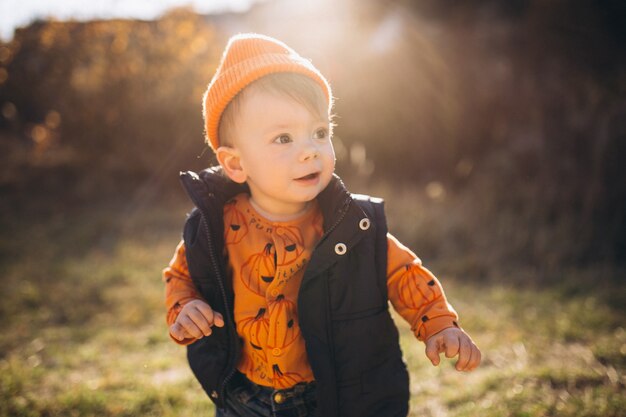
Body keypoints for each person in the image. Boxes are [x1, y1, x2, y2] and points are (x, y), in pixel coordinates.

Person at [162, 33, 481, 417]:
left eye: (319, 132)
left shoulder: (350, 225)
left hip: (331, 397)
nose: (310, 149)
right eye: (283, 138)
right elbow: (181, 276)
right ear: (235, 164)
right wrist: (186, 307)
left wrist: (440, 325)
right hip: (244, 397)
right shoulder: (213, 227)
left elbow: (403, 273)